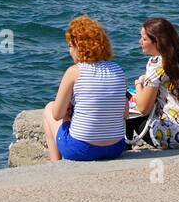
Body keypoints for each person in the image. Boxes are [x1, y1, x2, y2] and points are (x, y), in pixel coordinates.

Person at [42, 15, 127, 162]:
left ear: (79, 47)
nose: (70, 51)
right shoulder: (117, 69)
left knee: (49, 109)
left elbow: (57, 114)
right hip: (116, 147)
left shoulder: (74, 72)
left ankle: (55, 165)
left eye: (70, 46)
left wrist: (67, 113)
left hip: (82, 149)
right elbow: (125, 113)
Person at [129, 17, 179, 149]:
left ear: (157, 42)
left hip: (171, 137)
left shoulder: (156, 64)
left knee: (127, 113)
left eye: (144, 39)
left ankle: (124, 147)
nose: (140, 41)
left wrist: (138, 84)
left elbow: (143, 108)